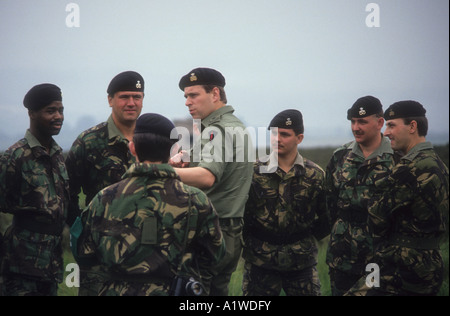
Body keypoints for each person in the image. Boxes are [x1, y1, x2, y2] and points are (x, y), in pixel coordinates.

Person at [74, 113, 225, 296]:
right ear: (174, 149)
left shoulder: (103, 199)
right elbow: (215, 254)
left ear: (132, 148)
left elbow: (84, 253)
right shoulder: (196, 200)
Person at [346, 101, 449, 296]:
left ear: (412, 127)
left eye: (392, 125)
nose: (386, 132)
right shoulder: (438, 163)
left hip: (399, 266)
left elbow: (376, 216)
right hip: (430, 263)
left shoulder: (409, 168)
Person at [171, 67, 254, 296]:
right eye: (185, 96)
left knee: (195, 295)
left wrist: (162, 172)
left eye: (194, 95)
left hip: (212, 231)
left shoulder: (217, 130)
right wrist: (187, 159)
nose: (187, 102)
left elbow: (207, 177)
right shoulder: (233, 126)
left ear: (215, 94)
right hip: (229, 231)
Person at [65, 70, 145, 295]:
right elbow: (67, 192)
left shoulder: (152, 139)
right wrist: (82, 233)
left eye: (137, 97)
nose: (131, 103)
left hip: (146, 254)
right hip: (100, 255)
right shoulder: (89, 141)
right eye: (124, 97)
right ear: (110, 100)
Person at [242, 110, 329, 296]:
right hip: (260, 261)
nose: (277, 139)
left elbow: (325, 218)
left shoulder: (314, 175)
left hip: (301, 262)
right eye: (273, 133)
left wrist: (302, 238)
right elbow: (243, 214)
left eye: (284, 134)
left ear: (300, 138)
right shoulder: (254, 171)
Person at [0, 84, 69, 296]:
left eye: (61, 110)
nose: (58, 116)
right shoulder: (14, 157)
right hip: (20, 267)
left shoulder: (58, 156)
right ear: (32, 113)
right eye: (50, 111)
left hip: (52, 264)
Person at [325, 96, 398, 296]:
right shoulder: (340, 156)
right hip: (342, 257)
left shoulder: (397, 158)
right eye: (353, 122)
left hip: (380, 257)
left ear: (380, 123)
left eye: (362, 122)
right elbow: (329, 204)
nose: (356, 127)